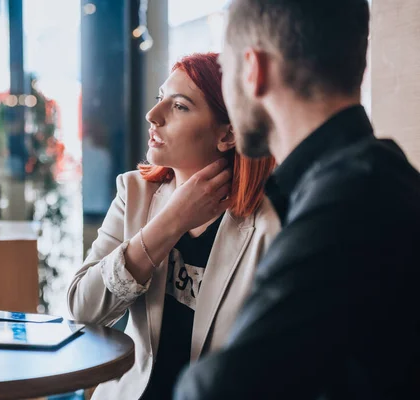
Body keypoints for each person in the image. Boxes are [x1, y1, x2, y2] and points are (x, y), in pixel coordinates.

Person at [175, 1, 420, 399]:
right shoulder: (371, 179)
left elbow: (217, 390)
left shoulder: (351, 202)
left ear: (253, 70)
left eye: (227, 70)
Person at [67, 52, 278, 400]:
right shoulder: (133, 193)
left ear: (227, 134)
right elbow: (83, 309)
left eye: (179, 106)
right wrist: (170, 222)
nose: (153, 116)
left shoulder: (268, 224)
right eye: (159, 99)